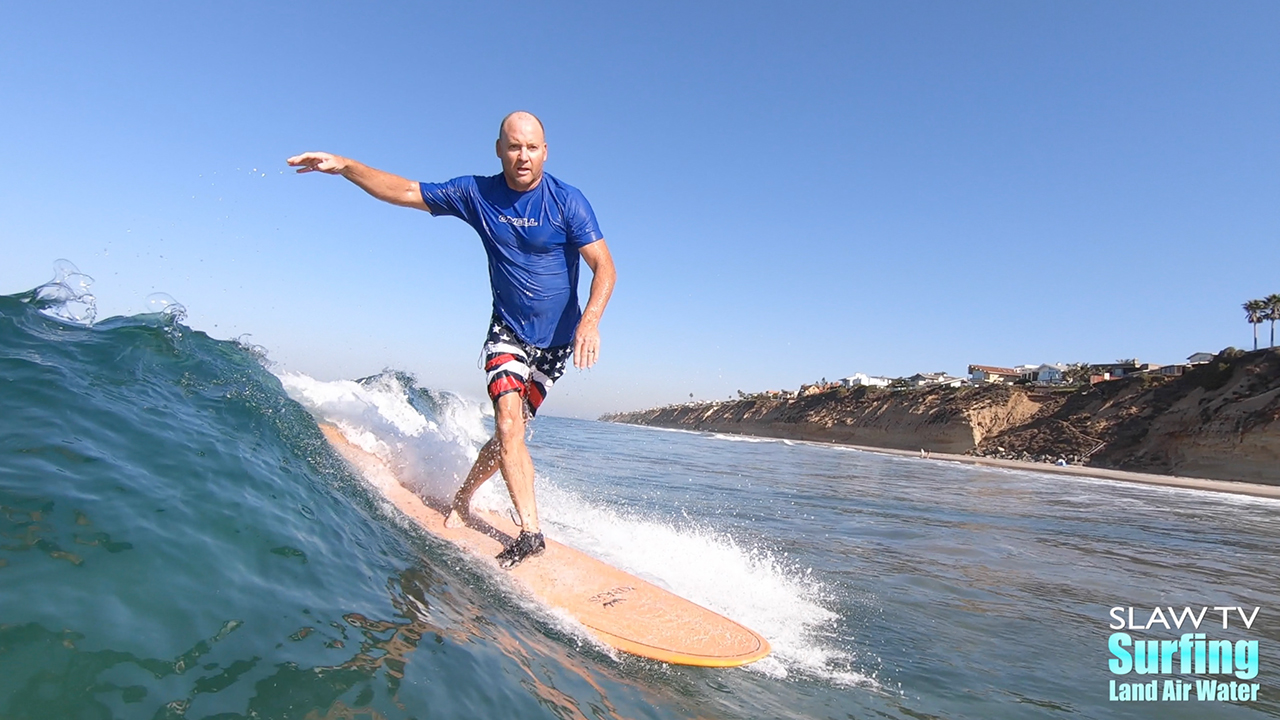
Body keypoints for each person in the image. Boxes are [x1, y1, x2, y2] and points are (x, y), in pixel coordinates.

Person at [287, 111, 616, 568]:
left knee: (512, 431)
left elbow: (605, 266)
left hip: (558, 343)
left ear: (545, 151)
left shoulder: (567, 201)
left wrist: (590, 321)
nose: (523, 156)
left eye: (532, 147)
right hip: (509, 331)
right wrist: (346, 166)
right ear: (499, 148)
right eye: (514, 146)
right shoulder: (477, 193)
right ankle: (531, 533)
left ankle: (462, 498)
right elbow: (405, 190)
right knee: (507, 423)